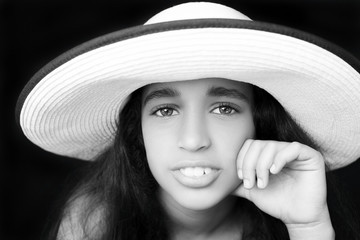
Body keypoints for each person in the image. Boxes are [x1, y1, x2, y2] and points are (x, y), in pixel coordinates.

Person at [15, 2, 360, 240]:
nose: (194, 140)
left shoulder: (297, 218)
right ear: (138, 134)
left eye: (224, 108)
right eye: (165, 110)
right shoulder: (95, 223)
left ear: (259, 123)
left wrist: (308, 226)